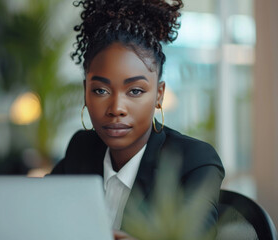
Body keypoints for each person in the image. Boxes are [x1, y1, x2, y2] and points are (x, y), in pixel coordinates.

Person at [50, 0, 225, 239]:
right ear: (85, 91)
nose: (116, 108)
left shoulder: (193, 161)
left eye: (135, 91)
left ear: (159, 95)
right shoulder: (81, 149)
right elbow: (39, 215)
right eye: (101, 90)